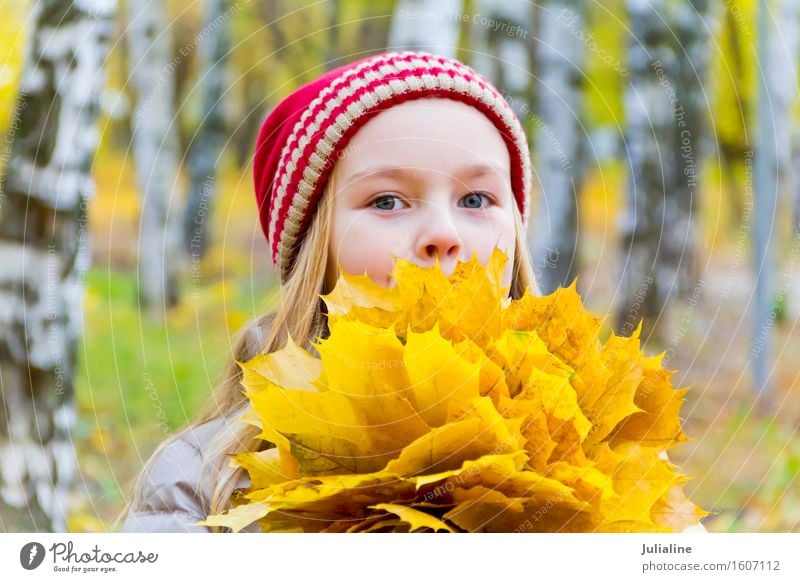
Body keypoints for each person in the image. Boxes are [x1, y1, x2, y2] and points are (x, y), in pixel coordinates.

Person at [118, 50, 703, 533]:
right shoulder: (208, 478)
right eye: (387, 201)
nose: (443, 236)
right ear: (312, 251)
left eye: (476, 200)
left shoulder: (603, 451)